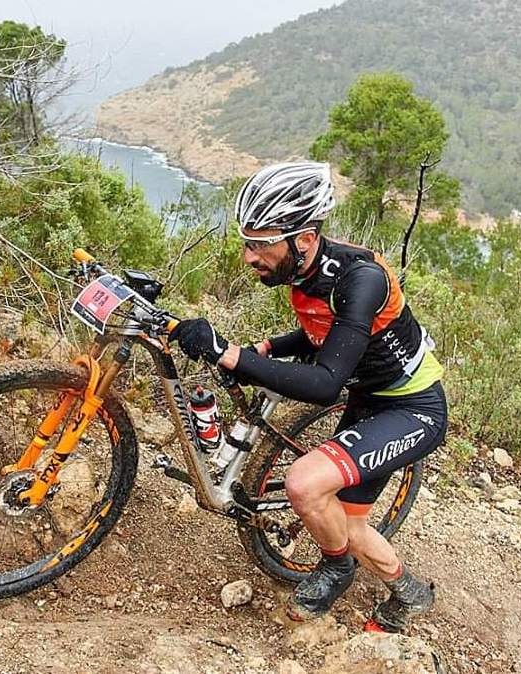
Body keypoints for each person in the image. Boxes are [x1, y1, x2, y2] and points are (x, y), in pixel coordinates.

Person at [169, 162, 447, 632]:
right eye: (247, 242)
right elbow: (325, 331)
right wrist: (272, 348)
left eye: (260, 244)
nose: (248, 256)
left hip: (411, 408)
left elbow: (324, 384)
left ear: (305, 239)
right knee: (350, 526)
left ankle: (336, 568)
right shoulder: (304, 270)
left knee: (303, 483)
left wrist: (227, 353)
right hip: (368, 398)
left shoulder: (361, 279)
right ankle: (411, 593)